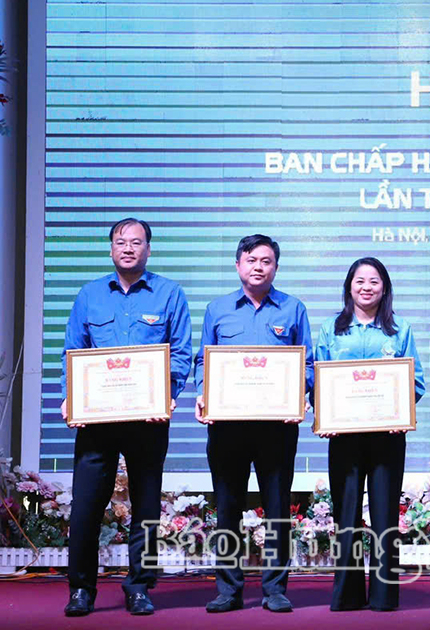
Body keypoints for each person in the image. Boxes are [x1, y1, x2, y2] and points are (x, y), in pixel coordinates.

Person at [60, 218, 192, 617]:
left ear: (148, 249)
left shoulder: (169, 293)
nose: (128, 248)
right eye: (121, 242)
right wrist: (71, 398)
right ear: (111, 249)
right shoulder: (90, 294)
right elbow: (73, 352)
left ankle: (139, 586)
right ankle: (81, 590)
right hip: (97, 422)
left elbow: (180, 354)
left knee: (146, 507)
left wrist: (167, 396)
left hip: (147, 421)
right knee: (86, 507)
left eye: (136, 242)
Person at [194, 234, 314, 614]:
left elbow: (307, 363)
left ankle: (275, 589)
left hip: (276, 428)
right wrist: (203, 393)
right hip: (227, 427)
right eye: (251, 260)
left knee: (278, 509)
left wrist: (301, 393)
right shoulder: (217, 309)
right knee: (227, 509)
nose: (258, 267)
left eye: (266, 261)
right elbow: (203, 361)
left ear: (275, 267)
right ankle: (228, 590)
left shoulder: (293, 309)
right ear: (238, 265)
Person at [313, 257, 426, 612]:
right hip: (343, 437)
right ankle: (347, 596)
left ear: (384, 287)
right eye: (359, 281)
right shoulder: (331, 329)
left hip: (387, 436)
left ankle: (383, 596)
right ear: (349, 286)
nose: (366, 287)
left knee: (385, 514)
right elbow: (317, 379)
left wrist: (401, 410)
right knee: (346, 515)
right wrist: (324, 412)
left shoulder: (400, 329)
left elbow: (416, 381)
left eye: (374, 281)